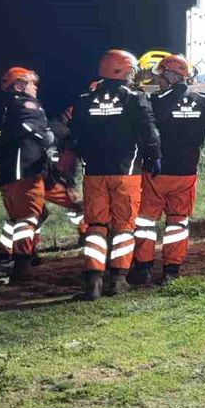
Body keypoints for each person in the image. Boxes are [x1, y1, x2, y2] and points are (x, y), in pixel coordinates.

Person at [68, 50, 161, 301]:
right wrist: (154, 159)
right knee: (123, 226)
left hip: (94, 173)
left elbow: (74, 136)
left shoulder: (85, 98)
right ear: (121, 71)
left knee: (96, 226)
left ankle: (93, 282)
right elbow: (150, 133)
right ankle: (118, 280)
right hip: (126, 173)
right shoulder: (134, 98)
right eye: (130, 70)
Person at [129, 54, 205, 286]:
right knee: (178, 222)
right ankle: (171, 270)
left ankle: (143, 268)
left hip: (156, 172)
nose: (158, 79)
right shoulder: (202, 101)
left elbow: (144, 132)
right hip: (186, 172)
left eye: (160, 74)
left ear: (170, 75)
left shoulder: (155, 102)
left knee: (146, 221)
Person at [0, 67, 81, 283]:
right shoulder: (26, 105)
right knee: (27, 217)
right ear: (19, 85)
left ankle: (6, 258)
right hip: (26, 172)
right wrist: (48, 142)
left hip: (20, 172)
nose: (35, 87)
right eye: (31, 83)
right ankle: (21, 267)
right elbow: (36, 131)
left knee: (26, 217)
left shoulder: (11, 106)